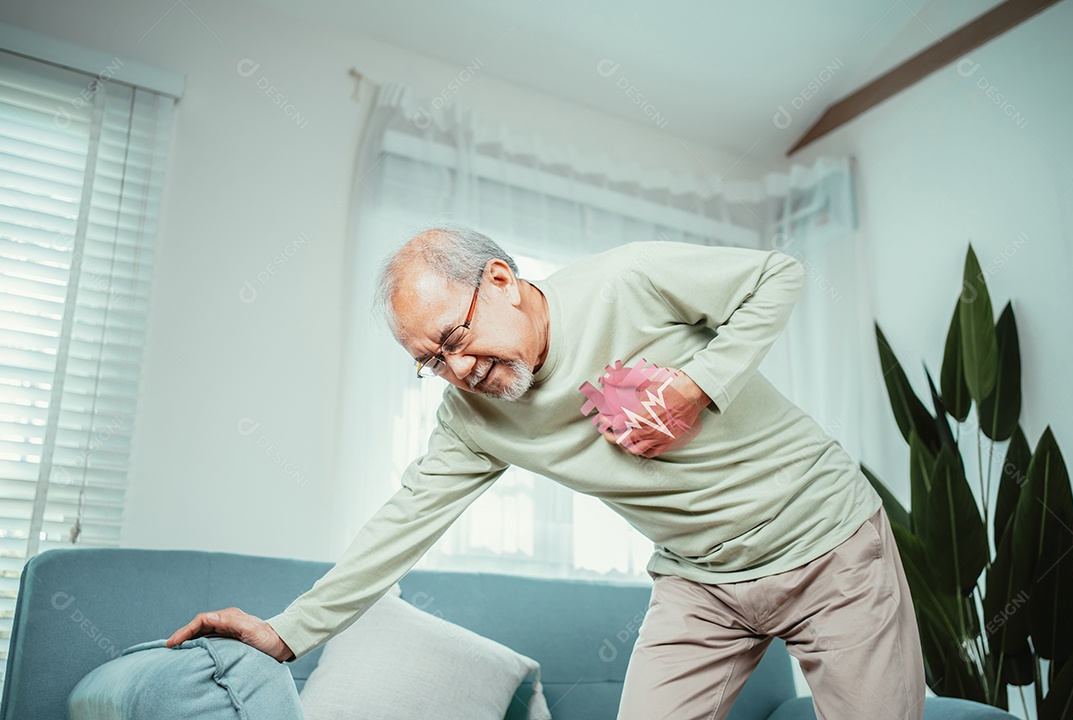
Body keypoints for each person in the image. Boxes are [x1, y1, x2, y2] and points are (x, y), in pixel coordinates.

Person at [167, 225, 925, 719]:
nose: (458, 368)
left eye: (455, 337)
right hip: (702, 587)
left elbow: (776, 276)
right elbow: (400, 526)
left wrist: (697, 385)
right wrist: (286, 632)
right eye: (432, 362)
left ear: (500, 280)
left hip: (828, 547)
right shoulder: (474, 418)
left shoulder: (628, 280)